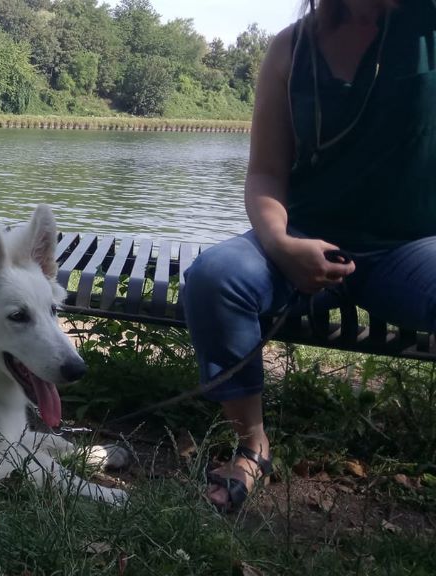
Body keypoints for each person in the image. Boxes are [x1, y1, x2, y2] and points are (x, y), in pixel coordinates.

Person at [181, 0, 436, 513]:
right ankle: (252, 447)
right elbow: (265, 173)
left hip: (411, 248)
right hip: (301, 241)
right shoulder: (290, 49)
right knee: (215, 277)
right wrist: (281, 244)